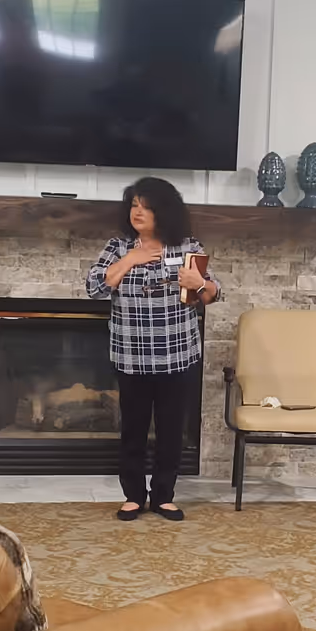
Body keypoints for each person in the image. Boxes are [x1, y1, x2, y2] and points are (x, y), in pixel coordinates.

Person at [85, 177, 220, 521]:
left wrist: (201, 283)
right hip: (130, 355)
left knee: (171, 430)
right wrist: (132, 258)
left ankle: (163, 496)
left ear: (164, 211)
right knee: (133, 428)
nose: (138, 212)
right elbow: (93, 287)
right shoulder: (118, 247)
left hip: (177, 354)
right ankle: (133, 495)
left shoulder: (187, 246)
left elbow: (213, 293)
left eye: (145, 206)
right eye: (133, 205)